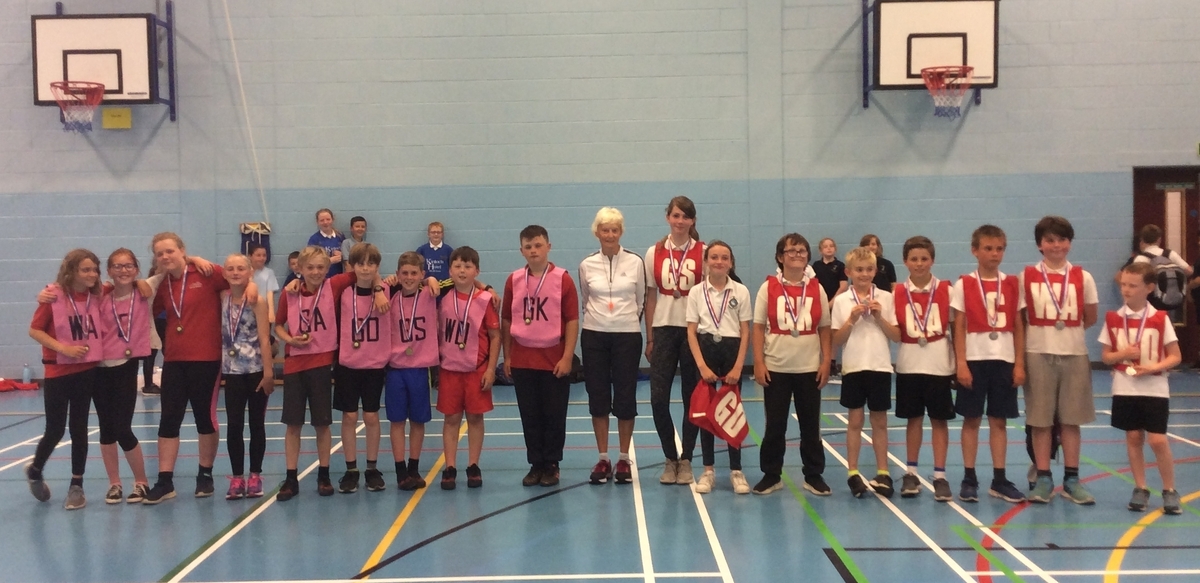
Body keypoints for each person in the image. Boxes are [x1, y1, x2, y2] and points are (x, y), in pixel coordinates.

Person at [144, 233, 241, 505]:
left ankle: (205, 474)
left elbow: (239, 278)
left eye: (170, 251)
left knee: (204, 418)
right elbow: (142, 302)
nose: (165, 256)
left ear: (182, 251)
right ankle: (165, 481)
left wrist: (253, 289)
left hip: (207, 358)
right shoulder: (161, 284)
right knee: (169, 419)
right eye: (160, 253)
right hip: (174, 359)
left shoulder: (207, 273)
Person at [1020, 216, 1099, 505]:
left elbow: (1090, 316)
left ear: (1069, 243)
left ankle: (1072, 479)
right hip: (1037, 353)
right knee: (1040, 420)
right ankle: (1043, 478)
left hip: (1075, 354)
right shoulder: (1026, 276)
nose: (1056, 245)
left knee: (1071, 420)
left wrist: (1067, 334)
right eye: (1050, 240)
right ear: (1040, 245)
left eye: (1062, 239)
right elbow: (1021, 319)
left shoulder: (1084, 277)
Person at [274, 246, 364, 500]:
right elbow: (277, 326)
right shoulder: (288, 294)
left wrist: (379, 287)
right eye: (310, 267)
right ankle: (291, 477)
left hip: (322, 364)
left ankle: (323, 474)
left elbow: (364, 271)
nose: (315, 272)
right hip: (294, 364)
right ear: (299, 269)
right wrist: (289, 339)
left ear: (327, 269)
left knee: (322, 423)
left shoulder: (333, 286)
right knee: (293, 424)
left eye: (320, 267)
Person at [951, 224, 1026, 504]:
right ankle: (969, 477)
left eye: (999, 248)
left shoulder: (1012, 283)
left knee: (999, 421)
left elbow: (1018, 325)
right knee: (971, 419)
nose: (994, 254)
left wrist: (1019, 363)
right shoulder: (964, 284)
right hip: (974, 359)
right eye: (988, 248)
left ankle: (999, 478)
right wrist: (961, 363)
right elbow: (958, 326)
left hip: (1003, 360)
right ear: (975, 251)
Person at [753, 234, 832, 496]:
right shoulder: (769, 287)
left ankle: (813, 474)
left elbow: (825, 328)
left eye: (802, 251)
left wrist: (825, 361)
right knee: (775, 424)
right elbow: (756, 327)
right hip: (776, 366)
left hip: (809, 367)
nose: (797, 255)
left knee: (811, 425)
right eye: (791, 251)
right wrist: (759, 363)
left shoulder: (816, 288)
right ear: (780, 256)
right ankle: (771, 474)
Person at [1102, 262, 1183, 514]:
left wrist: (1153, 367)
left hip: (1154, 388)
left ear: (1148, 288)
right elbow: (1105, 357)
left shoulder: (1160, 319)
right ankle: (1140, 487)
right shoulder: (1114, 318)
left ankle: (1169, 489)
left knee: (1158, 440)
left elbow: (1175, 356)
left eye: (1132, 286)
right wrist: (1122, 354)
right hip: (1125, 387)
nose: (1126, 290)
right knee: (1133, 437)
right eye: (1124, 284)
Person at [26, 249, 103, 509]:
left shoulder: (98, 294)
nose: (92, 274)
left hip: (87, 370)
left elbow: (130, 283)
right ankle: (35, 470)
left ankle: (76, 485)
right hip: (58, 371)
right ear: (71, 272)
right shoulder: (53, 297)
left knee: (79, 428)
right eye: (86, 270)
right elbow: (34, 330)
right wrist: (64, 348)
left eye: (94, 269)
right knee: (56, 429)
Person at [503, 225, 580, 487]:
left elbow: (572, 320)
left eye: (538, 245)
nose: (533, 250)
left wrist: (568, 356)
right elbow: (505, 320)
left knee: (554, 415)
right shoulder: (513, 279)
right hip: (523, 359)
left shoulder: (562, 279)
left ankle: (552, 464)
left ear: (548, 246)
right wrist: (508, 355)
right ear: (521, 251)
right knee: (530, 416)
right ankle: (535, 464)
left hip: (553, 359)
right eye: (528, 246)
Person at [579, 208, 646, 485]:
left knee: (625, 397)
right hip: (594, 335)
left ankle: (622, 458)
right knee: (598, 397)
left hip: (627, 335)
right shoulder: (586, 265)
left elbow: (640, 299)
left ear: (621, 232)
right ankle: (603, 457)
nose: (609, 234)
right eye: (605, 229)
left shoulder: (635, 262)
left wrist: (622, 319)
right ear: (597, 232)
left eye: (614, 229)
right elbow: (586, 298)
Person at [645, 196, 705, 485]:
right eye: (676, 215)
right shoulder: (654, 252)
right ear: (667, 217)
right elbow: (651, 295)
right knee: (658, 398)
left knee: (691, 399)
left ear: (692, 221)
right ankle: (670, 457)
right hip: (664, 330)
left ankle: (687, 459)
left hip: (693, 331)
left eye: (686, 216)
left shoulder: (703, 252)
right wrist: (650, 336)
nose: (680, 221)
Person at [832, 246, 900, 498]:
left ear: (875, 271)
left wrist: (880, 317)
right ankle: (853, 473)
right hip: (853, 367)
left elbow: (897, 335)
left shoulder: (886, 298)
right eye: (859, 270)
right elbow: (836, 340)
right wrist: (851, 320)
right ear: (849, 272)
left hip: (880, 366)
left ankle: (883, 471)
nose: (864, 274)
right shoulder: (841, 301)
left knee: (880, 422)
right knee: (855, 421)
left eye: (869, 269)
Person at [685, 241, 752, 494]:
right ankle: (708, 470)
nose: (719, 261)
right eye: (714, 257)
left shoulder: (741, 291)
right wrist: (701, 365)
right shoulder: (696, 293)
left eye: (724, 257)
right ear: (706, 262)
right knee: (706, 415)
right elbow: (691, 331)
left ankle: (736, 470)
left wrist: (738, 367)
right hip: (705, 350)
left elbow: (745, 331)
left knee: (732, 412)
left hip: (731, 351)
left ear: (731, 263)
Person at [893, 236, 955, 501]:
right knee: (913, 419)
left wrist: (959, 361)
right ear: (905, 261)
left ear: (932, 260)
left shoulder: (947, 290)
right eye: (914, 259)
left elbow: (957, 328)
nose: (919, 264)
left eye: (924, 259)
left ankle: (940, 475)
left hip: (939, 364)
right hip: (909, 363)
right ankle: (911, 472)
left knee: (939, 420)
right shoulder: (896, 292)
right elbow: (894, 330)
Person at [437, 246, 500, 489]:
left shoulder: (485, 299)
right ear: (450, 270)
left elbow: (495, 336)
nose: (462, 271)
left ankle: (473, 465)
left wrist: (491, 369)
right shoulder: (441, 295)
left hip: (477, 369)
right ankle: (450, 466)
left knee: (475, 417)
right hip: (450, 369)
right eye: (457, 266)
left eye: (468, 266)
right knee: (451, 419)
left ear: (477, 271)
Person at [95, 249, 153, 504]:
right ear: (108, 271)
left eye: (128, 265)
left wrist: (195, 259)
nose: (123, 270)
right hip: (97, 368)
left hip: (125, 366)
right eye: (117, 266)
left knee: (122, 427)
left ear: (137, 269)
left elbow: (167, 269)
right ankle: (114, 483)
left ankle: (141, 482)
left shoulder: (143, 292)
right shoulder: (99, 297)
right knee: (106, 429)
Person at [333, 243, 392, 494]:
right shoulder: (343, 291)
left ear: (378, 266)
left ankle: (371, 468)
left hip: (375, 364)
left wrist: (379, 287)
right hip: (347, 363)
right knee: (348, 416)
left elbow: (429, 280)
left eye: (371, 264)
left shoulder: (390, 289)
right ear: (352, 266)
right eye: (360, 263)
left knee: (371, 416)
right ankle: (351, 469)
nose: (366, 268)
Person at [220, 253, 274, 500]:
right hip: (231, 373)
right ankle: (237, 477)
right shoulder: (221, 298)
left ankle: (255, 475)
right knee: (233, 425)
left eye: (240, 268)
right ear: (224, 273)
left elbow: (265, 338)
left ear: (250, 272)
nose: (235, 272)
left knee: (256, 424)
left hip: (255, 372)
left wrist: (269, 372)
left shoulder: (258, 301)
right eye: (230, 268)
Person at [385, 252, 440, 490]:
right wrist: (382, 284)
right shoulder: (388, 295)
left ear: (422, 275)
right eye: (404, 273)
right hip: (395, 368)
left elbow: (464, 280)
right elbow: (371, 284)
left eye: (414, 274)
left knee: (418, 421)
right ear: (397, 274)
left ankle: (414, 468)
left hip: (419, 369)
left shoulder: (431, 293)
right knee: (397, 421)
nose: (408, 277)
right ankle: (400, 471)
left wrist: (433, 280)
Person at [811, 237, 847, 377]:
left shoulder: (840, 266)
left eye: (831, 245)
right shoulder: (816, 266)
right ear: (820, 250)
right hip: (819, 304)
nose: (829, 248)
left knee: (833, 333)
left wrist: (830, 303)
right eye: (825, 246)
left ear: (835, 248)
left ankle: (832, 362)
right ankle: (820, 361)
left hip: (835, 303)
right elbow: (813, 285)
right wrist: (821, 303)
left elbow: (843, 286)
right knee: (820, 332)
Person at [417, 221, 453, 296]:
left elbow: (452, 267)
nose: (436, 234)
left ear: (442, 234)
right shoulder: (422, 250)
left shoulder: (448, 250)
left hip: (445, 287)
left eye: (438, 232)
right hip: (427, 286)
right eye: (433, 232)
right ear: (428, 234)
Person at [248, 242, 280, 325]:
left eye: (264, 255)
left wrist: (271, 312)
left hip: (263, 310)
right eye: (258, 255)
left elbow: (270, 293)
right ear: (250, 256)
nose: (262, 258)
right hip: (247, 310)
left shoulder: (269, 272)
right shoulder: (245, 272)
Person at [307, 208, 345, 277]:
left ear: (333, 220)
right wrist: (329, 261)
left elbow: (348, 256)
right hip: (322, 277)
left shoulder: (340, 236)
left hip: (339, 276)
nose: (325, 222)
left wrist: (342, 255)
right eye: (322, 220)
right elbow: (310, 261)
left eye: (328, 219)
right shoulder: (314, 239)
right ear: (317, 222)